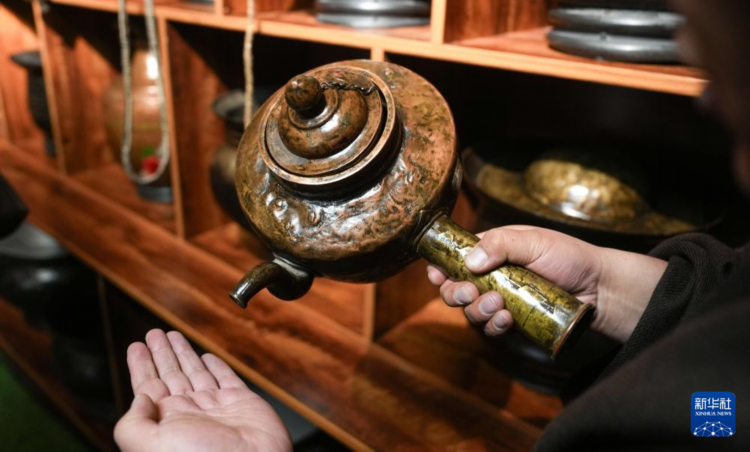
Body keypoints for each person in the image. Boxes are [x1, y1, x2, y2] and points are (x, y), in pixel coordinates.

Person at [115, 1, 750, 450]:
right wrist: (610, 286)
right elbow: (718, 368)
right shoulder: (717, 395)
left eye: (703, 34)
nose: (697, 75)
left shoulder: (705, 416)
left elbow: (710, 418)